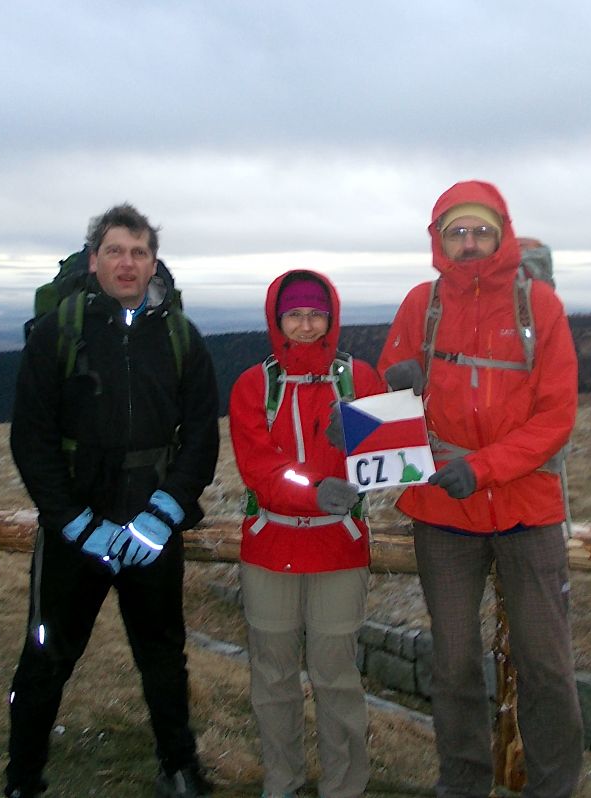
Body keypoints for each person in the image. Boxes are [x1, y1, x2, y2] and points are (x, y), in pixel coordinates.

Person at [5, 204, 220, 798]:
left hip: (151, 524)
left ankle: (179, 765)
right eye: (115, 251)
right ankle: (23, 777)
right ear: (94, 257)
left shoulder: (180, 337)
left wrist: (164, 514)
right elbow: (32, 438)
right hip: (77, 525)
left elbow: (201, 435)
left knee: (163, 656)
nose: (128, 263)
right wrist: (74, 522)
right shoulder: (58, 333)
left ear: (155, 260)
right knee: (46, 655)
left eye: (139, 251)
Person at [377, 180, 583, 798]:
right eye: (456, 232)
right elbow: (392, 395)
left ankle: (555, 788)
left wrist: (485, 468)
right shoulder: (422, 302)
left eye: (481, 231)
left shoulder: (538, 305)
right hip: (442, 509)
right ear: (439, 239)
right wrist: (389, 388)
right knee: (454, 661)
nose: (469, 243)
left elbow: (556, 416)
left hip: (526, 507)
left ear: (501, 234)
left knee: (546, 664)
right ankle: (463, 784)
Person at [228, 271, 384, 798]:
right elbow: (261, 468)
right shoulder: (255, 385)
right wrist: (315, 490)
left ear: (331, 318)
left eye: (316, 314)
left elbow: (387, 459)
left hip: (337, 547)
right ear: (277, 320)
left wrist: (358, 436)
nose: (305, 324)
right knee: (272, 677)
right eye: (293, 314)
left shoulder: (359, 378)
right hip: (271, 545)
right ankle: (283, 780)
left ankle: (345, 787)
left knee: (335, 675)